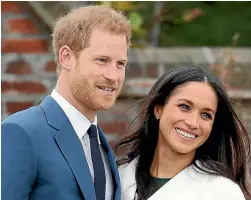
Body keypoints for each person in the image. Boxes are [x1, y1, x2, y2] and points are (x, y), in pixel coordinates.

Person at [2, 5, 131, 200]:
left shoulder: (100, 145)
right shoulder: (20, 132)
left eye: (120, 64)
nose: (113, 76)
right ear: (67, 57)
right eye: (102, 60)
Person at [117, 66, 251, 200]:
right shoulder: (119, 177)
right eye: (184, 107)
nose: (193, 123)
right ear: (158, 109)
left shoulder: (223, 192)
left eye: (205, 115)